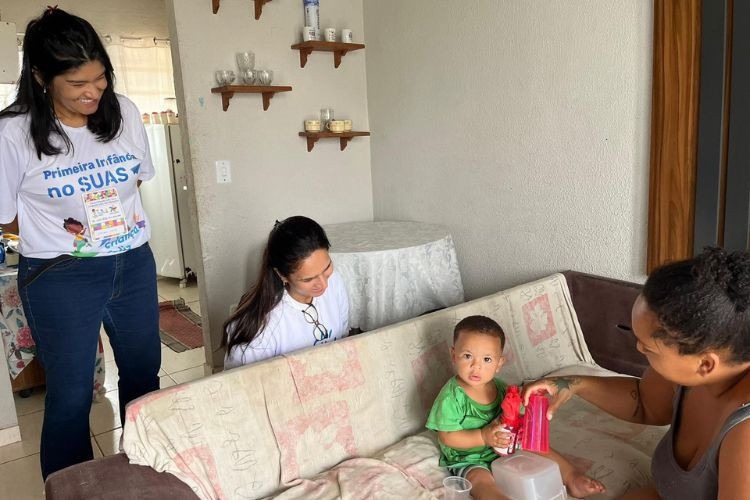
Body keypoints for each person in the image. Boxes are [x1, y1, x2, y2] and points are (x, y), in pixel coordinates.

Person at [0, 7, 161, 478]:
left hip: (132, 262)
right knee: (71, 395)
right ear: (40, 77)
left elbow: (137, 178)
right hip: (61, 273)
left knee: (143, 377)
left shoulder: (124, 112)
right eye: (76, 84)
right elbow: (5, 215)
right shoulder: (12, 132)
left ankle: (149, 475)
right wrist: (55, 230)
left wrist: (110, 223)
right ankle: (74, 489)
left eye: (100, 78)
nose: (92, 92)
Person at [523, 247, 750, 499]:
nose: (638, 349)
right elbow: (645, 402)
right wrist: (573, 384)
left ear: (705, 364)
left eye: (648, 348)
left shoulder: (744, 434)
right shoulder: (694, 372)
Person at [426, 315, 605, 500]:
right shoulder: (451, 397)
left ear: (499, 364)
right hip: (470, 457)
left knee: (537, 446)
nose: (476, 366)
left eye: (487, 359)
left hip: (505, 446)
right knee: (479, 479)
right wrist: (483, 437)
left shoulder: (502, 389)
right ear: (453, 355)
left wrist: (527, 413)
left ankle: (571, 477)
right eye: (467, 356)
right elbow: (447, 437)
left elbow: (517, 416)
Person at [223, 216, 349, 369]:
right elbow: (246, 381)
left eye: (326, 268)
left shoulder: (334, 281)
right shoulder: (260, 331)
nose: (324, 284)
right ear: (282, 275)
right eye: (308, 279)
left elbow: (343, 340)